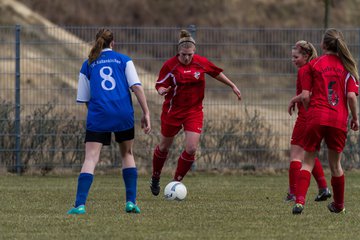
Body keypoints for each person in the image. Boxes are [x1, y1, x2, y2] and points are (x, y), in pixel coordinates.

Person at [67, 28, 151, 214]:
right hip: (123, 113)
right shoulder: (124, 60)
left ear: (96, 42)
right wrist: (146, 112)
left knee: (91, 158)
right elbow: (136, 87)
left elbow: (85, 98)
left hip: (99, 115)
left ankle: (79, 205)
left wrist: (98, 115)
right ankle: (131, 203)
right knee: (127, 154)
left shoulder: (87, 64)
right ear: (113, 43)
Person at [149, 29, 242, 196]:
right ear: (178, 52)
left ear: (194, 52)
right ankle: (155, 177)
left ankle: (175, 183)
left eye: (190, 54)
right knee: (164, 147)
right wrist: (162, 90)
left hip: (194, 111)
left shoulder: (200, 62)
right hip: (173, 111)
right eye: (184, 54)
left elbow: (216, 72)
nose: (187, 58)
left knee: (191, 148)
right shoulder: (170, 65)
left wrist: (232, 85)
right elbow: (160, 84)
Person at [292, 28, 359, 214]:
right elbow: (352, 97)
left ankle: (299, 202)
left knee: (307, 162)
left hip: (316, 117)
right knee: (336, 165)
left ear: (322, 45)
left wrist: (310, 112)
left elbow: (305, 96)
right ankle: (339, 206)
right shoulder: (348, 67)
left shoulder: (313, 65)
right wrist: (355, 118)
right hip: (338, 120)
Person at [286, 40, 331, 202]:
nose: (293, 60)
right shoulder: (315, 67)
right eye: (292, 57)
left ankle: (293, 193)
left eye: (296, 56)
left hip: (306, 117)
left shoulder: (305, 70)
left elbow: (307, 95)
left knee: (295, 156)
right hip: (314, 115)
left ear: (306, 56)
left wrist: (294, 99)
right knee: (308, 154)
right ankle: (323, 188)